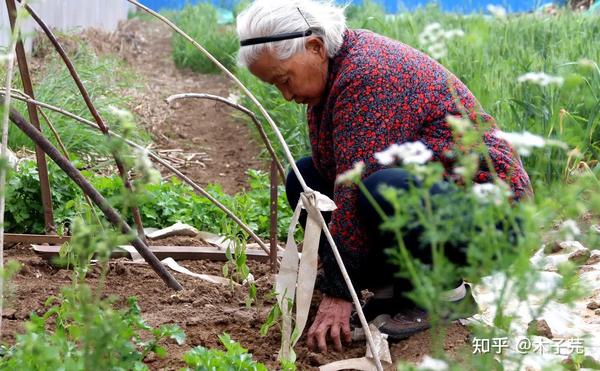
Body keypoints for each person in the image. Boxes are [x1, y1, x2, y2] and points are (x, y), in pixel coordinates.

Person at [236, 0, 532, 353]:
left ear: (314, 47)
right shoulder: (334, 73)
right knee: (306, 179)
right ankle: (393, 289)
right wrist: (341, 277)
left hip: (493, 218)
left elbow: (352, 186)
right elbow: (334, 174)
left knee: (381, 188)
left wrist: (339, 293)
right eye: (275, 86)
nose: (286, 95)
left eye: (285, 79)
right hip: (437, 198)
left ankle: (445, 295)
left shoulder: (369, 73)